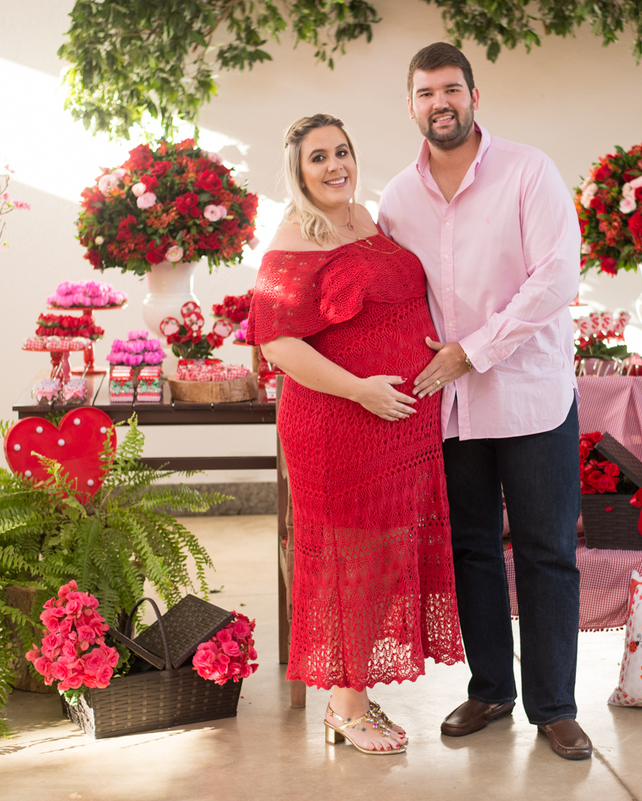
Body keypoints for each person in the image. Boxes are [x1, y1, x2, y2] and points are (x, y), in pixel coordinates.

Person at [377, 42, 591, 760]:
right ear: (411, 106)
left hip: (531, 396)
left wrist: (473, 349)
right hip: (451, 407)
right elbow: (395, 299)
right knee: (471, 549)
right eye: (425, 92)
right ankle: (492, 688)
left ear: (474, 96)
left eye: (451, 89)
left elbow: (556, 277)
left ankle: (555, 706)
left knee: (545, 551)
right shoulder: (397, 198)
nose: (440, 102)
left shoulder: (530, 171)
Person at [247, 113, 465, 755]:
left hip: (398, 428)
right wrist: (360, 389)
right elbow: (277, 343)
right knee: (354, 560)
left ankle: (353, 696)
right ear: (298, 172)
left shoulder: (366, 219)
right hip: (339, 423)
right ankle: (345, 704)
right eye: (318, 157)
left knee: (386, 557)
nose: (335, 165)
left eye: (341, 151)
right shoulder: (293, 236)